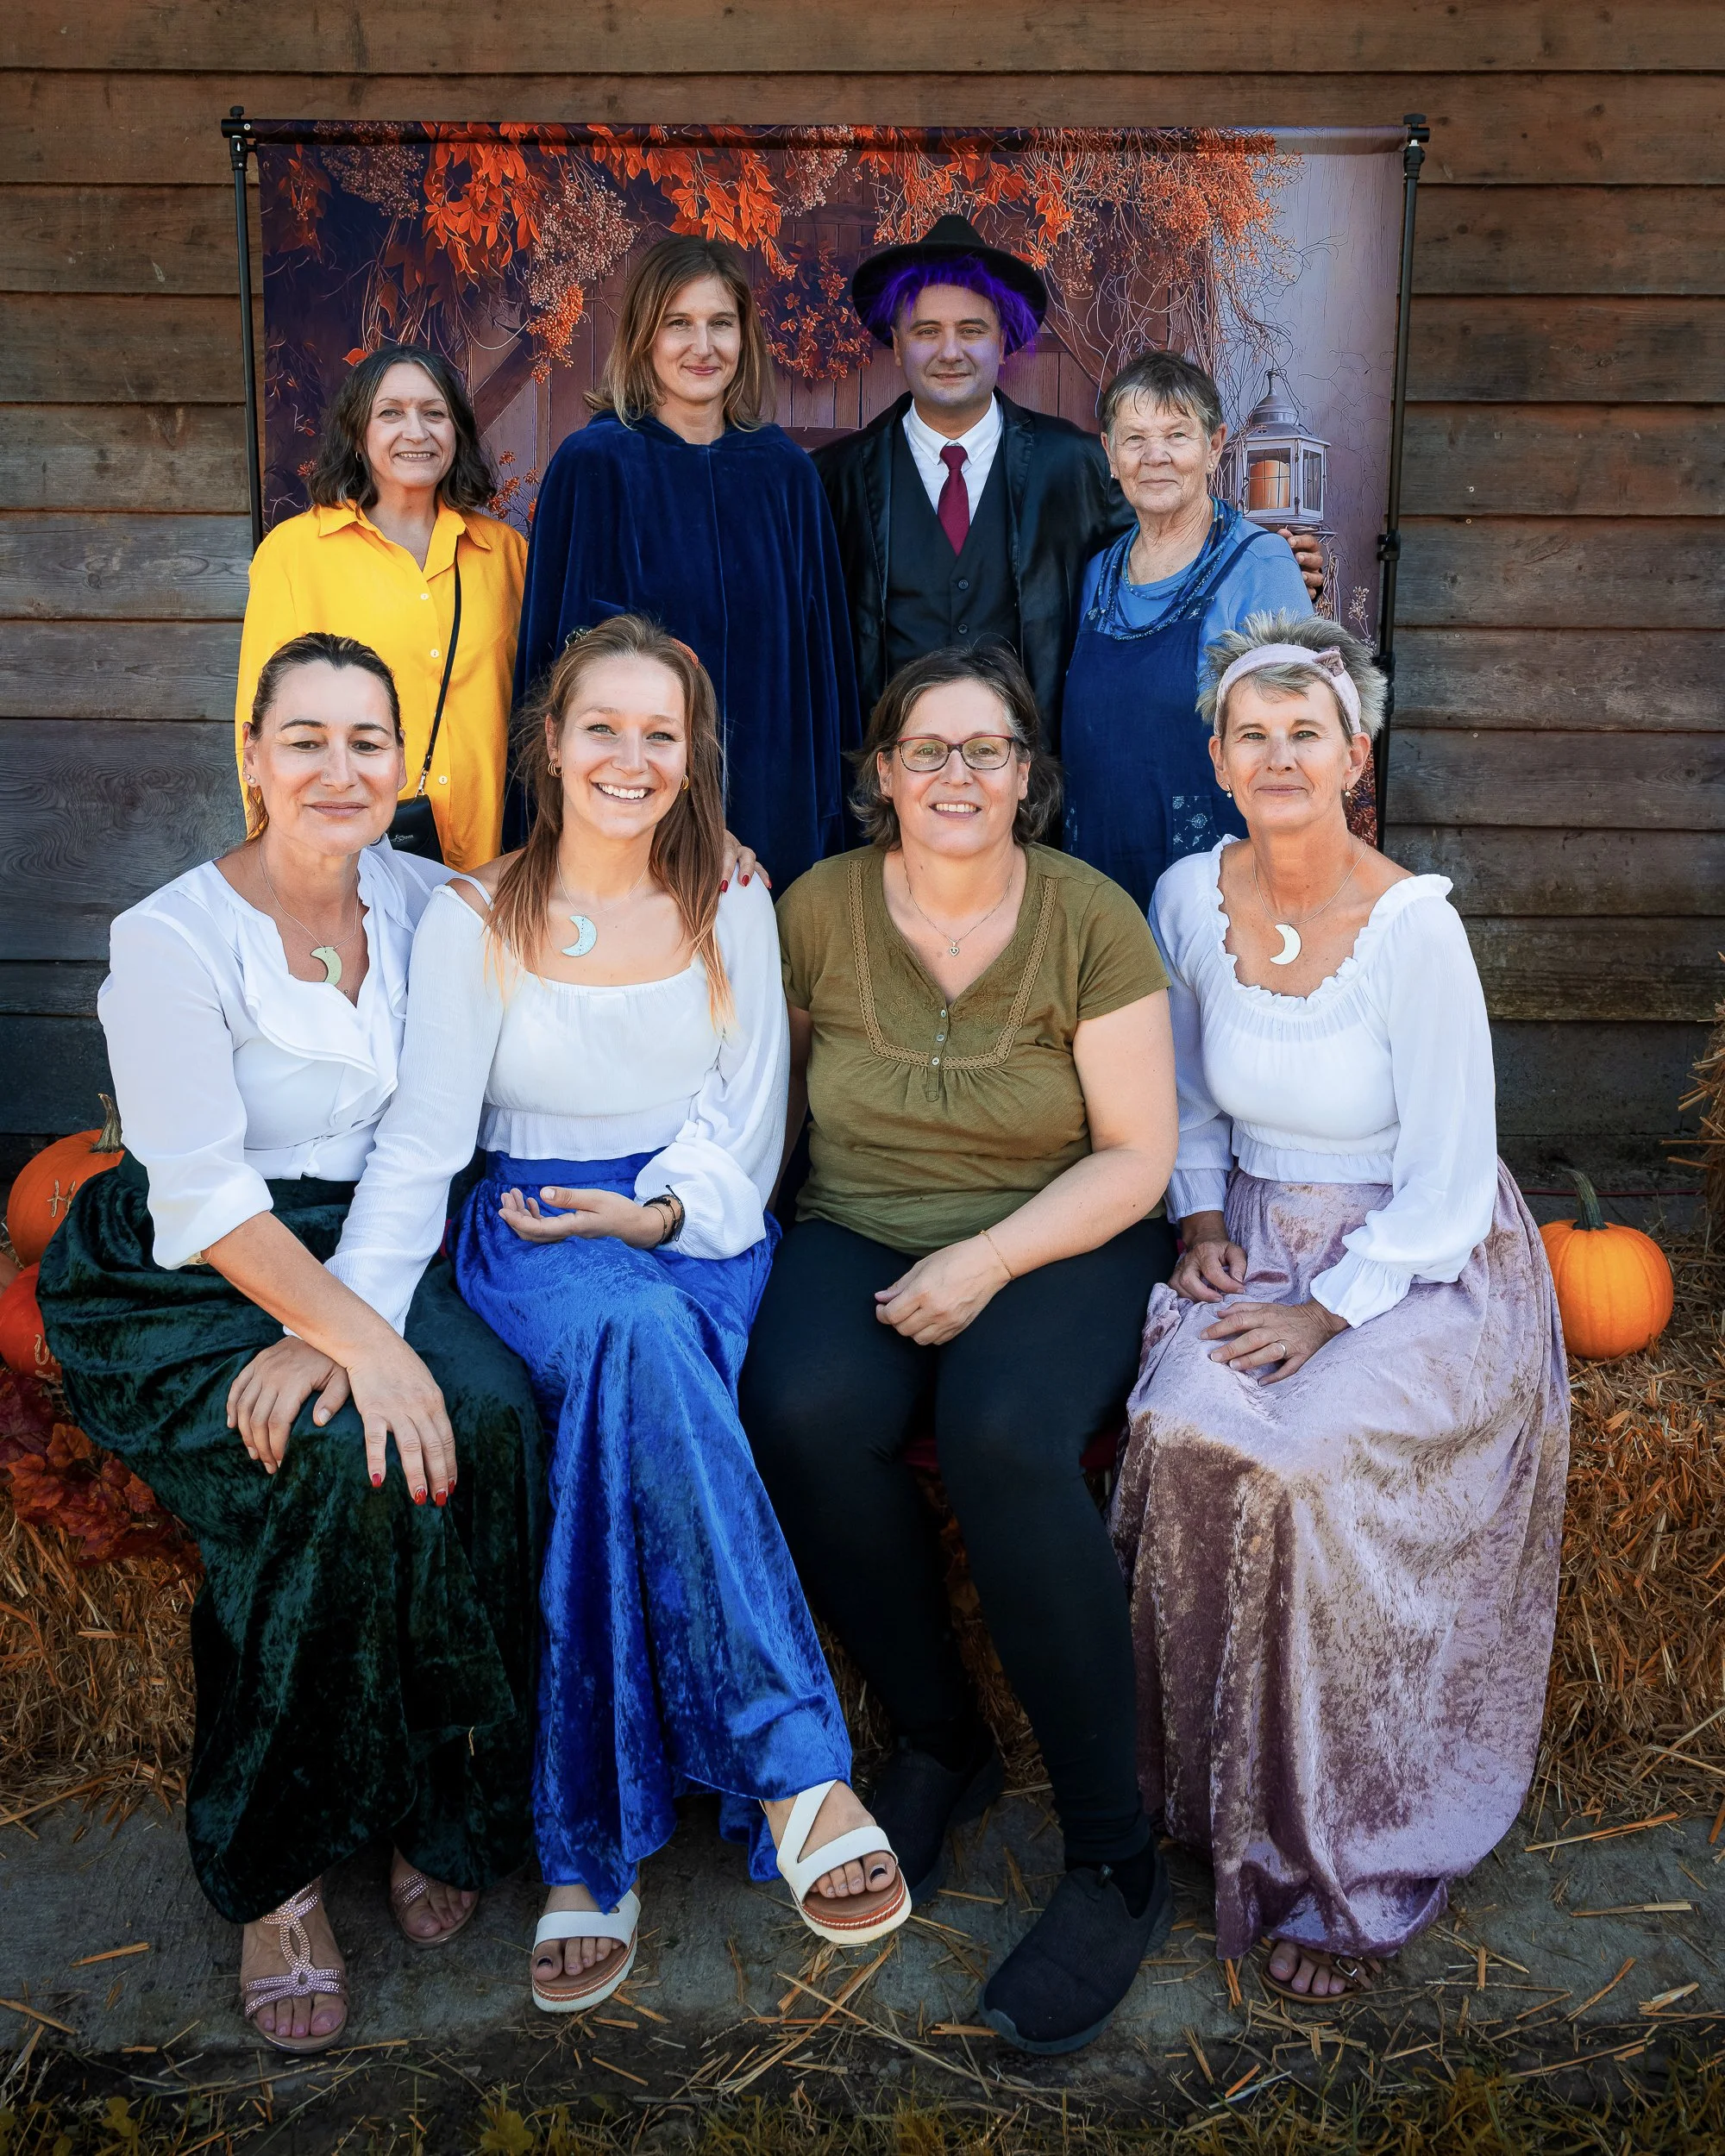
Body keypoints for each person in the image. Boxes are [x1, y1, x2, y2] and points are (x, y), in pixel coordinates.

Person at [327, 614, 907, 2014]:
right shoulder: (480, 913)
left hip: (694, 1229)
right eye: (603, 728)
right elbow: (420, 1143)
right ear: (550, 743)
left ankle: (588, 1847)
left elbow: (748, 1124)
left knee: (632, 1374)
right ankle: (798, 1770)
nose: (631, 758)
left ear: (696, 753)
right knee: (627, 1345)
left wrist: (655, 1216)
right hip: (535, 1230)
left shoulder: (732, 900)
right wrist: (346, 1321)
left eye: (662, 733)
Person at [37, 634, 545, 2054]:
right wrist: (355, 1354)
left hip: (374, 1235)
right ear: (251, 759)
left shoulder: (439, 905)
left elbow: (426, 1141)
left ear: (402, 764)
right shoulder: (168, 939)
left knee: (488, 1415)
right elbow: (200, 1196)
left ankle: (447, 1803)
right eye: (305, 739)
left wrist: (363, 1328)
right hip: (194, 1268)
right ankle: (277, 1868)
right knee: (328, 1468)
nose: (340, 769)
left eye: (367, 741)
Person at [1112, 612, 1570, 2003]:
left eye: (1305, 730)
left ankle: (1348, 1846)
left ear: (1355, 752)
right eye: (1252, 733)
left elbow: (1445, 1173)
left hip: (1412, 1262)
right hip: (1252, 1232)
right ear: (1218, 755)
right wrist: (1198, 1217)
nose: (1279, 754)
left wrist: (1332, 1312)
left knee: (1308, 1461)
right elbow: (1184, 1089)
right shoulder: (1189, 897)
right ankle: (1209, 1799)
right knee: (1186, 1426)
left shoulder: (1413, 934)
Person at [741, 643, 1181, 2057]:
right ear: (879, 774)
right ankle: (941, 1740)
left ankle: (1115, 1859)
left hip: (1060, 1232)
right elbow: (770, 1108)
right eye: (927, 751)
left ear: (1029, 778)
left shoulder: (1091, 918)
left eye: (986, 751)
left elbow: (1138, 1158)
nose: (956, 776)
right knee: (798, 1406)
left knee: (1002, 1435)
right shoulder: (809, 910)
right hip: (861, 1221)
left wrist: (989, 1258)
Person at [815, 216, 1320, 755]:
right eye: (926, 331)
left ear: (1003, 341)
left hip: (1039, 792)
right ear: (896, 344)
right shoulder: (834, 479)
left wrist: (1268, 564)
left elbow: (1167, 550)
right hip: (889, 791)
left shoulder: (1077, 465)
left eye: (971, 330)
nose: (949, 351)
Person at [508, 237, 859, 887]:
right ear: (645, 336)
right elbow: (553, 664)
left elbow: (823, 664)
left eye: (720, 324)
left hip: (771, 800)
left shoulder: (785, 474)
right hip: (631, 804)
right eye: (679, 324)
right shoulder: (595, 465)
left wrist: (831, 815)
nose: (703, 347)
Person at [235, 346, 527, 870]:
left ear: (456, 431)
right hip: (348, 864)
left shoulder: (505, 553)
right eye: (390, 413)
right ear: (358, 433)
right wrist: (277, 864)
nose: (415, 432)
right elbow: (261, 721)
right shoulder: (296, 553)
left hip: (491, 865)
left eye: (433, 413)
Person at [1061, 351, 1318, 913]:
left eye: (1177, 435)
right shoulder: (1096, 574)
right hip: (1095, 894)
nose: (1155, 458)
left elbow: (1306, 739)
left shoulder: (1261, 566)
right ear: (1109, 453)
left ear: (1214, 445)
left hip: (1215, 907)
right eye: (1134, 439)